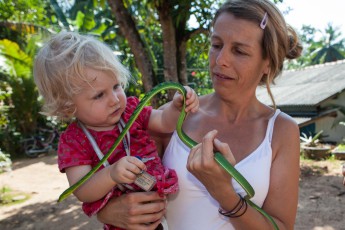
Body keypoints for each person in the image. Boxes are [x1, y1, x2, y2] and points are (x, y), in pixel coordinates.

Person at [97, 0, 303, 229]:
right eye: (216, 45)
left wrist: (224, 192)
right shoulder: (173, 116)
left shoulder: (282, 131)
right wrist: (107, 212)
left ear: (267, 63)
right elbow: (131, 181)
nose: (220, 60)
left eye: (240, 51)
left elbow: (282, 226)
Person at [33, 31, 199, 230]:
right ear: (69, 107)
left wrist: (176, 107)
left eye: (116, 86)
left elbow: (164, 122)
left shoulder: (130, 110)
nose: (114, 99)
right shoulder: (74, 140)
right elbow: (82, 190)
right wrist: (111, 174)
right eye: (99, 95)